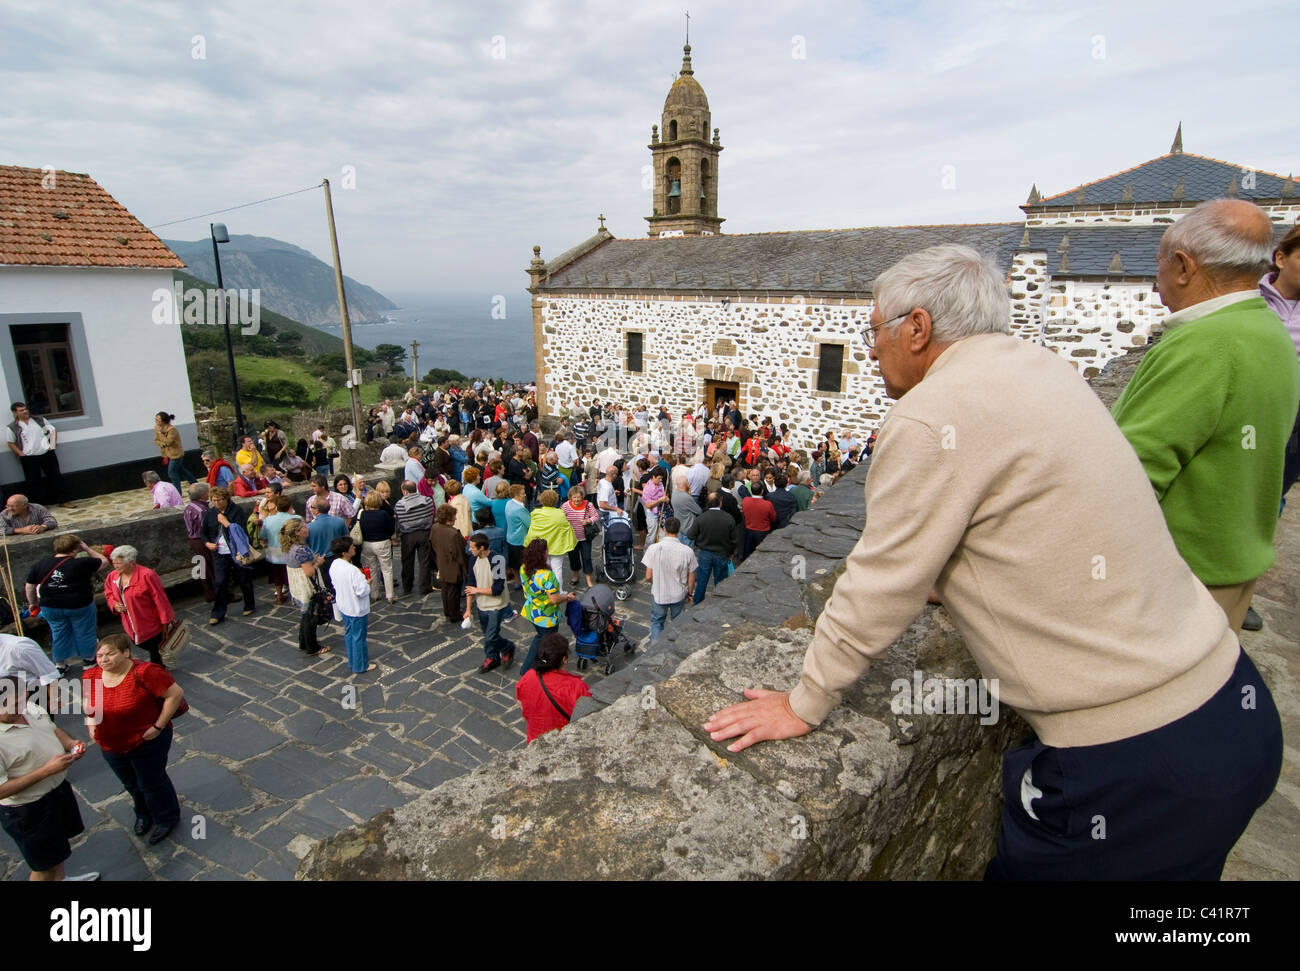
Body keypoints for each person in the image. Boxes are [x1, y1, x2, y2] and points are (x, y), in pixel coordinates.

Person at [704, 242, 1283, 881]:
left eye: (874, 331)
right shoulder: (1042, 367)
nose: (869, 351)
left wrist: (805, 701)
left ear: (917, 328)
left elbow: (879, 581)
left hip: (1135, 763)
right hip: (1230, 706)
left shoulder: (931, 414)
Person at [1111, 200, 1300, 635]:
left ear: (1182, 266)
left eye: (1158, 264)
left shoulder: (1205, 344)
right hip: (1233, 566)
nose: (1156, 279)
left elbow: (1133, 472)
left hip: (1182, 578)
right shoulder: (1267, 328)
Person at [82, 633, 185, 846]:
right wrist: (91, 725)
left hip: (145, 740)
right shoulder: (91, 676)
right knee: (130, 782)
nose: (103, 659)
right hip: (110, 744)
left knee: (151, 782)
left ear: (126, 653)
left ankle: (166, 818)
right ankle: (144, 813)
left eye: (110, 654)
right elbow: (90, 704)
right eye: (100, 655)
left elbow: (174, 695)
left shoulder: (146, 672)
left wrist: (158, 726)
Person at [0, 675, 96, 881]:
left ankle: (61, 879)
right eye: (14, 704)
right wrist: (47, 770)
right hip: (28, 810)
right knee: (43, 866)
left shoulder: (29, 708)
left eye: (23, 699)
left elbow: (52, 729)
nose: (22, 707)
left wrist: (70, 743)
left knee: (57, 850)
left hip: (57, 793)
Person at [24, 535, 108, 673]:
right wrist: (86, 548)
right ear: (75, 549)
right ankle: (88, 659)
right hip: (79, 605)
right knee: (84, 631)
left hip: (51, 606)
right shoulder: (82, 563)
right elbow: (103, 561)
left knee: (58, 633)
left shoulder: (41, 564)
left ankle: (59, 664)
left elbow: (29, 587)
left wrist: (33, 603)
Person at [104, 546, 175, 667]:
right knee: (137, 642)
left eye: (119, 564)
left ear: (131, 562)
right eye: (114, 563)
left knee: (155, 650)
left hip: (149, 622)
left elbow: (160, 599)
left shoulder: (147, 575)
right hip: (130, 623)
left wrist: (165, 621)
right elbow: (108, 592)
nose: (115, 566)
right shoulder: (113, 576)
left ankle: (157, 672)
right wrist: (114, 604)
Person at [515, 633, 592, 744]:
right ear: (564, 659)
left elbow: (522, 704)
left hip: (535, 740)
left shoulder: (528, 677)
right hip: (564, 741)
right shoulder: (577, 687)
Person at [519, 540, 576, 674]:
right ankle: (530, 668)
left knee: (540, 637)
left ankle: (531, 667)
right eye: (546, 551)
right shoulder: (546, 575)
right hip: (546, 616)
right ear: (542, 554)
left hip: (532, 611)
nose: (548, 553)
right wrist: (567, 597)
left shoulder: (524, 568)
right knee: (545, 641)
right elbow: (554, 599)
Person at [201, 486, 256, 625]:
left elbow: (241, 531)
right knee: (220, 582)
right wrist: (207, 543)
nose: (216, 503)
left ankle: (249, 604)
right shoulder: (210, 513)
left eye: (219, 500)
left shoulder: (236, 511)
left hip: (237, 551)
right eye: (214, 500)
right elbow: (203, 532)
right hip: (219, 553)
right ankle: (218, 612)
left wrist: (226, 523)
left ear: (226, 499)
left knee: (243, 578)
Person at [466, 531, 516, 673]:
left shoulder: (497, 560)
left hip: (496, 605)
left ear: (481, 548)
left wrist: (477, 590)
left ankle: (505, 648)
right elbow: (470, 586)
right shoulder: (472, 560)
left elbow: (498, 589)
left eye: (472, 547)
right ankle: (493, 656)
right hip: (482, 605)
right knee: (488, 634)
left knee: (491, 635)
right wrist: (468, 609)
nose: (470, 550)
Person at [5, 402, 71, 508]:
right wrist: (21, 454)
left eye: (25, 409)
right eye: (21, 410)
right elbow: (10, 443)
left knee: (55, 476)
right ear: (15, 412)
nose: (25, 411)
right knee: (33, 482)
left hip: (46, 453)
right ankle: (39, 506)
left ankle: (63, 500)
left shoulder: (39, 420)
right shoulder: (13, 427)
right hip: (29, 457)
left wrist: (52, 445)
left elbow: (52, 431)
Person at [642, 517, 697, 639]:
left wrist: (656, 583)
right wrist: (690, 593)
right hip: (678, 593)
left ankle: (655, 650)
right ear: (678, 531)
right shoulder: (688, 551)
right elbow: (691, 577)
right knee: (677, 623)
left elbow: (648, 576)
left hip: (659, 594)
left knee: (657, 622)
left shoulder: (653, 548)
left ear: (664, 529)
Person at [283, 518, 330, 657]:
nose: (307, 528)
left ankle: (303, 641)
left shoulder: (288, 547)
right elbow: (309, 571)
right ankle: (312, 646)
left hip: (296, 585)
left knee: (305, 616)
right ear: (297, 532)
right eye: (304, 527)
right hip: (306, 586)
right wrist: (318, 562)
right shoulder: (300, 550)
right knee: (311, 617)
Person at [329, 537, 376, 674]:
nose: (354, 548)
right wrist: (367, 583)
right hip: (356, 608)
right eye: (351, 547)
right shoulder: (352, 570)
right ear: (344, 552)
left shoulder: (334, 565)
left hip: (344, 605)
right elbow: (361, 591)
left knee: (349, 634)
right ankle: (360, 665)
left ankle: (352, 660)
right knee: (359, 638)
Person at [687, 493, 739, 604]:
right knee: (720, 581)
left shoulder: (702, 518)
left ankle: (698, 603)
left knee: (702, 581)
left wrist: (699, 542)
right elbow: (734, 540)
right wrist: (731, 552)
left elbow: (690, 535)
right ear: (720, 503)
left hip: (705, 553)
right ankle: (718, 603)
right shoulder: (728, 518)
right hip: (722, 553)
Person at [525, 490, 577, 592]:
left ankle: (544, 590)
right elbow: (567, 528)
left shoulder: (535, 513)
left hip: (542, 548)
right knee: (557, 570)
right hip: (557, 546)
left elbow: (532, 529)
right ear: (555, 500)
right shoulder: (560, 514)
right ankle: (559, 591)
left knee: (544, 569)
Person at [394, 479, 434, 596]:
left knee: (407, 561)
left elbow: (399, 521)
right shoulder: (427, 500)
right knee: (424, 561)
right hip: (424, 533)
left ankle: (407, 586)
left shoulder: (400, 505)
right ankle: (424, 586)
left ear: (404, 491)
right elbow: (430, 515)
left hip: (408, 536)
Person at [358, 491, 398, 605]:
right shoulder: (383, 514)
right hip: (382, 543)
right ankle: (390, 595)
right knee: (386, 569)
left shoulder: (362, 514)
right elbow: (390, 529)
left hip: (367, 543)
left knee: (372, 569)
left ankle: (374, 594)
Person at [430, 504, 467, 623]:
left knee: (445, 588)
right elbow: (459, 552)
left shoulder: (435, 527)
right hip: (453, 565)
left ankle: (447, 610)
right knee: (453, 591)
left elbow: (431, 544)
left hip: (441, 561)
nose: (455, 518)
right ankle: (454, 614)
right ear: (448, 518)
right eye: (454, 516)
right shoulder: (453, 534)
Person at [182, 482, 216, 602]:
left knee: (203, 568)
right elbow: (205, 529)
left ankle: (209, 594)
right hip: (202, 541)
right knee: (211, 567)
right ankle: (217, 593)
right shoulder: (201, 510)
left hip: (194, 540)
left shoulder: (190, 507)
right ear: (203, 494)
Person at [562, 485, 599, 590]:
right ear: (570, 497)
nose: (576, 499)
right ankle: (575, 576)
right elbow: (561, 517)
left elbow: (596, 516)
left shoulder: (589, 505)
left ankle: (588, 580)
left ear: (582, 496)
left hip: (585, 537)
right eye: (574, 497)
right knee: (573, 558)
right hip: (571, 538)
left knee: (587, 558)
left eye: (578, 497)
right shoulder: (565, 506)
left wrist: (588, 520)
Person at [153, 411, 196, 493]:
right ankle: (195, 483)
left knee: (172, 473)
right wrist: (163, 444)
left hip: (176, 454)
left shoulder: (172, 429)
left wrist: (160, 433)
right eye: (155, 419)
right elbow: (156, 440)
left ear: (163, 420)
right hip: (168, 454)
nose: (156, 421)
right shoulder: (158, 429)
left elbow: (169, 442)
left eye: (158, 420)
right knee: (182, 471)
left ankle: (177, 492)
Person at [739, 482, 776, 561]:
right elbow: (773, 518)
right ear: (762, 491)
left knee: (748, 555)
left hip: (749, 531)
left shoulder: (745, 501)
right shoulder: (768, 504)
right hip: (762, 532)